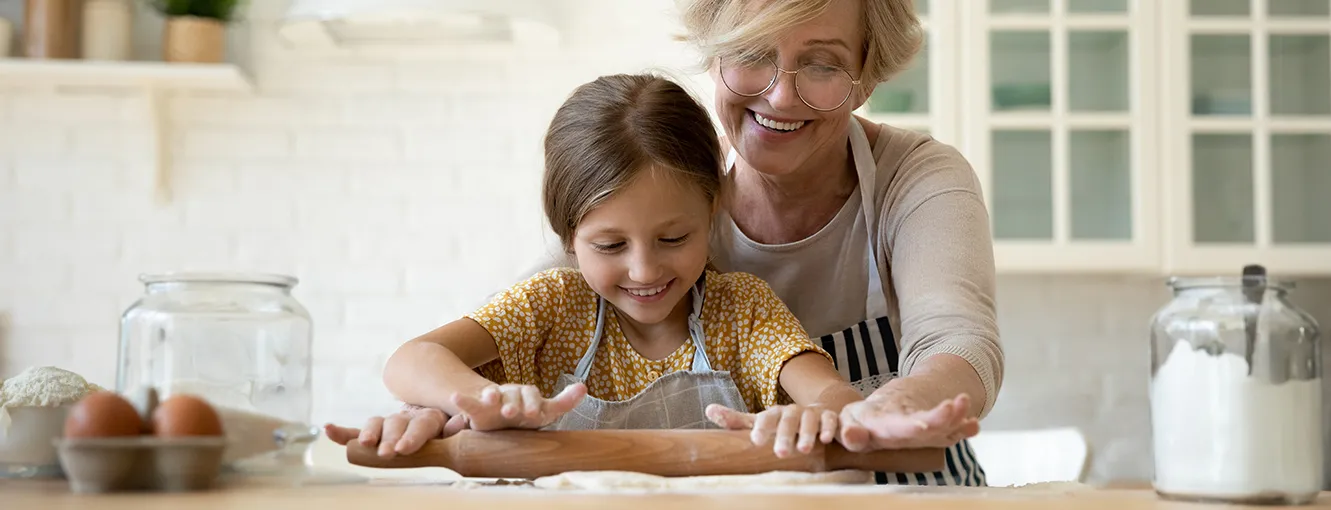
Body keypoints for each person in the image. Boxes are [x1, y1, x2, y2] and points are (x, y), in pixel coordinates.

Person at [336, 0, 1002, 487]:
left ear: (866, 73)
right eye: (751, 54)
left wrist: (871, 416)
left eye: (822, 64)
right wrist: (444, 406)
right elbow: (491, 345)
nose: (780, 92)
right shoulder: (655, 196)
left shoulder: (911, 183)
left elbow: (955, 339)